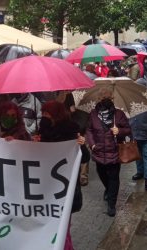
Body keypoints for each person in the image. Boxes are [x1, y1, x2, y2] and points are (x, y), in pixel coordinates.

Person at [37, 100, 85, 250]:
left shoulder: (71, 131)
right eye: (43, 113)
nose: (44, 116)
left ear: (56, 115)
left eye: (47, 113)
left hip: (65, 189)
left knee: (63, 229)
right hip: (46, 188)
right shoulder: (42, 131)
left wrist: (81, 145)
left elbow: (85, 158)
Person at [86, 87, 131, 217]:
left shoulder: (119, 114)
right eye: (102, 98)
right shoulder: (93, 114)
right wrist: (92, 144)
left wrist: (120, 131)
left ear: (112, 98)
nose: (104, 100)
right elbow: (89, 130)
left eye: (107, 98)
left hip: (114, 152)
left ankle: (111, 204)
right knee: (102, 174)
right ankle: (108, 189)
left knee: (113, 178)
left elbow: (129, 129)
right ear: (98, 99)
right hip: (98, 151)